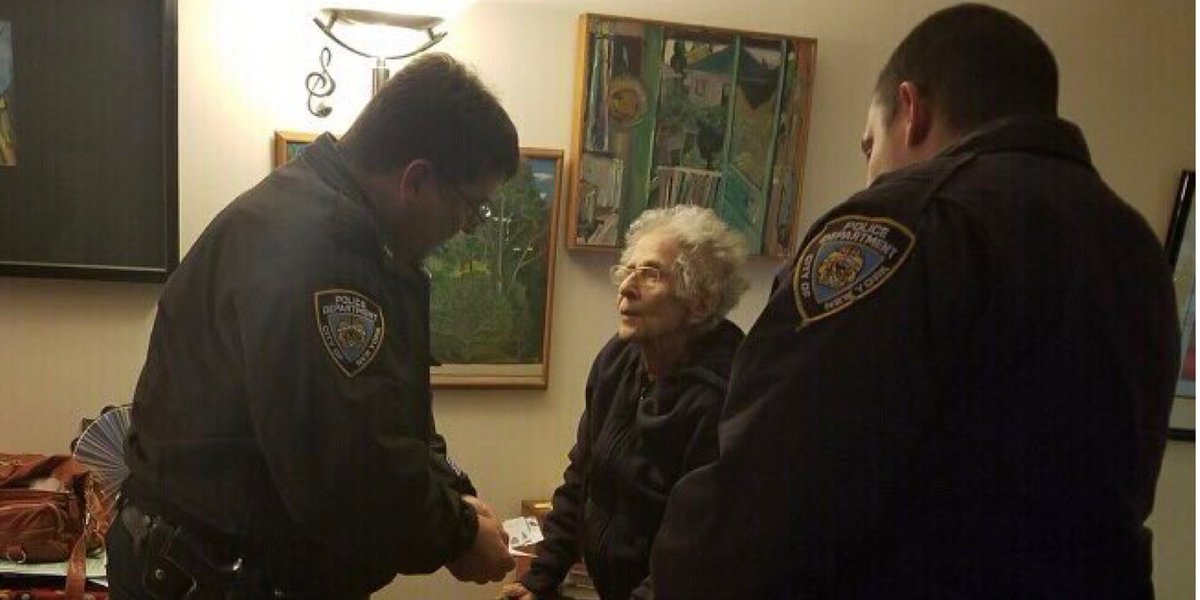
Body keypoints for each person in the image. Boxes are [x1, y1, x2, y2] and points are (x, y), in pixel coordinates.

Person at [651, 5, 1180, 599]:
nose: (871, 172)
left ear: (911, 109)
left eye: (869, 146)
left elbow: (761, 505)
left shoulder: (908, 221)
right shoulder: (1132, 245)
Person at [107, 53, 518, 598]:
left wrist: (454, 493)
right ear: (417, 179)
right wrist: (458, 534)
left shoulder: (327, 225)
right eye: (472, 208)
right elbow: (344, 468)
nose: (465, 227)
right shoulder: (323, 251)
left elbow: (385, 416)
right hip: (214, 575)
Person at [501, 206, 749, 600]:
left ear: (700, 304)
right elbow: (582, 478)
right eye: (627, 270)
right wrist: (537, 581)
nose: (626, 287)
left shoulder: (725, 399)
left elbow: (690, 557)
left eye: (651, 274)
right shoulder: (616, 361)